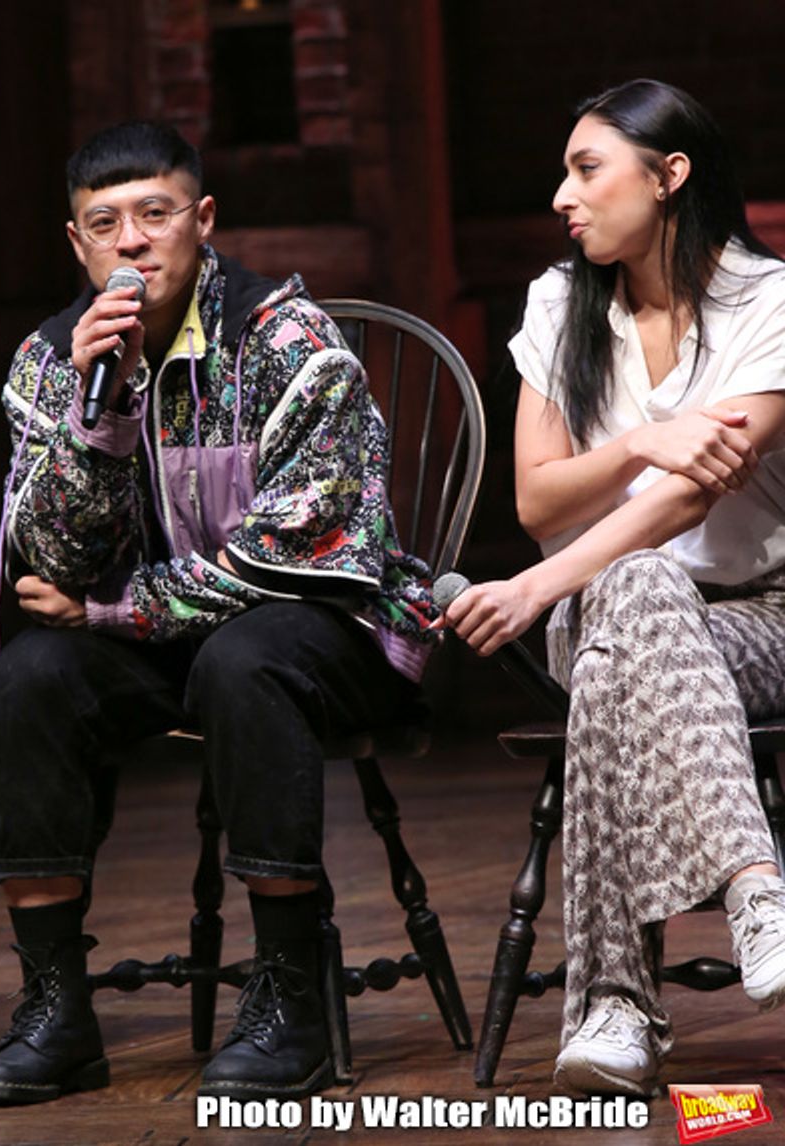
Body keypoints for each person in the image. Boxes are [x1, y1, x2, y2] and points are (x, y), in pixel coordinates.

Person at [0, 121, 437, 1106]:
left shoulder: (287, 341)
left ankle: (288, 992)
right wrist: (98, 424)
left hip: (329, 628)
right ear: (77, 243)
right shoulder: (52, 364)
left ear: (203, 220)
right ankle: (55, 1004)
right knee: (28, 678)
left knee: (245, 658)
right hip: (159, 638)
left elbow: (302, 551)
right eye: (106, 224)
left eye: (155, 214)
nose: (132, 243)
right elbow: (48, 564)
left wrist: (122, 607)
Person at [444, 79, 785, 1097]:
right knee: (630, 592)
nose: (563, 194)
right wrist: (641, 435)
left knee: (613, 656)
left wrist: (536, 588)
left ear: (670, 176)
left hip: (759, 618)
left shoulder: (768, 304)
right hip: (604, 601)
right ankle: (756, 887)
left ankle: (615, 1007)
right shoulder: (561, 303)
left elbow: (688, 500)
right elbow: (540, 497)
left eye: (587, 168)